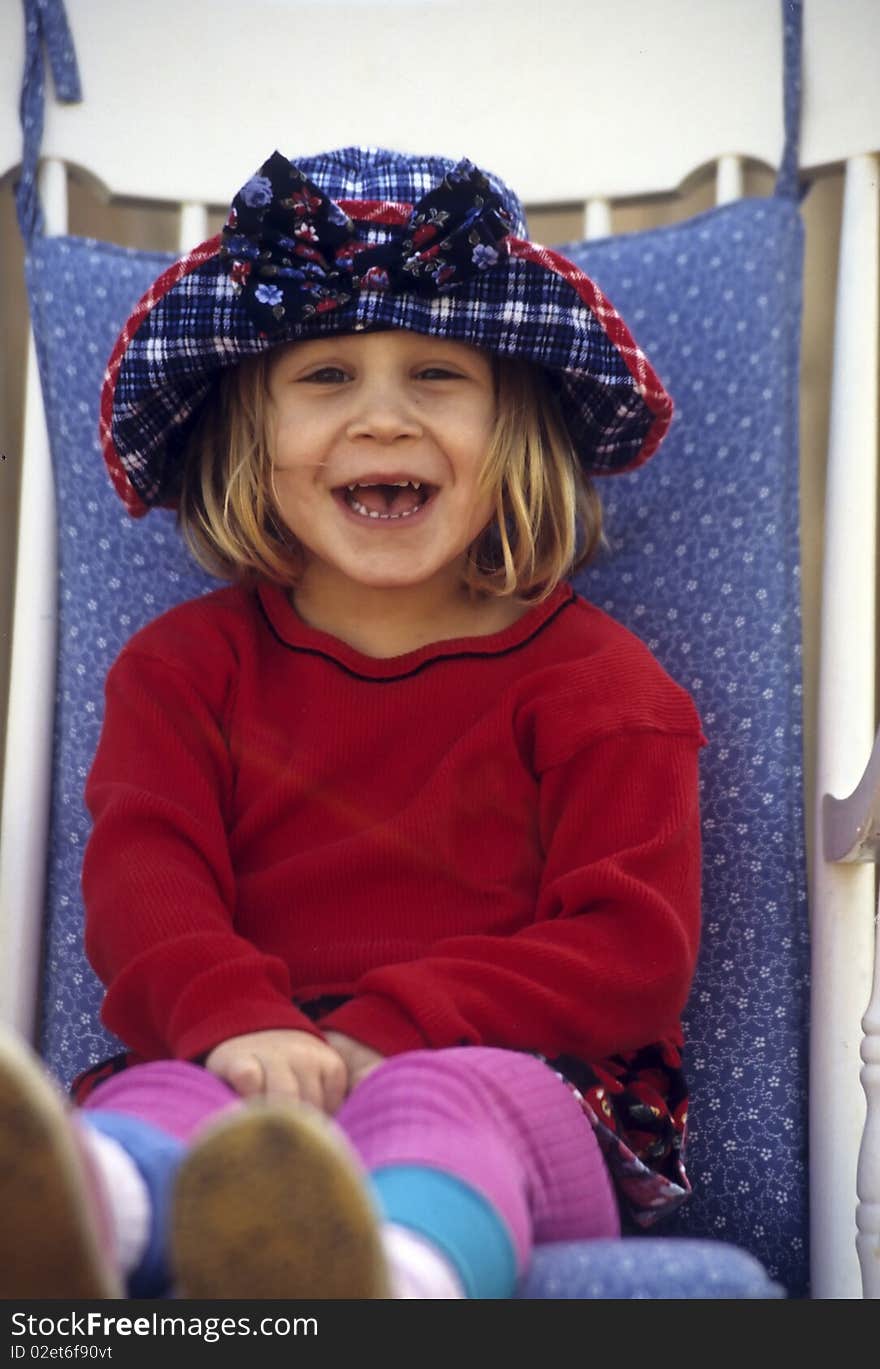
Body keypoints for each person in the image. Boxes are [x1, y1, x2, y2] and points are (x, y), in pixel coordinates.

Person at [0, 146, 704, 1300]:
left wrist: (390, 1028)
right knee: (161, 1101)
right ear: (251, 435)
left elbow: (630, 949)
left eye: (436, 374)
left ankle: (392, 1275)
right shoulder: (182, 670)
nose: (381, 418)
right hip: (242, 1056)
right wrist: (232, 1020)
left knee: (448, 1105)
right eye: (325, 374)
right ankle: (102, 1217)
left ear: (514, 425)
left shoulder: (602, 685)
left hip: (510, 1075)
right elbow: (147, 880)